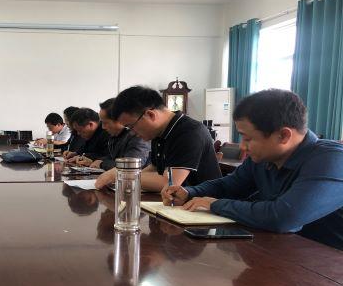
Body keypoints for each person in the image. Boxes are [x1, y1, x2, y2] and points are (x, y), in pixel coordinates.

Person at [162, 89, 343, 249]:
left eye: (248, 139)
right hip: (280, 250)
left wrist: (215, 204)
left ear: (283, 135)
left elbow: (283, 217)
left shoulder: (332, 160)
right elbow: (228, 186)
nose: (242, 146)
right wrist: (190, 193)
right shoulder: (263, 158)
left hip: (327, 265)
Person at [95, 86, 221, 191]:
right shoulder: (159, 132)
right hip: (174, 203)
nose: (132, 133)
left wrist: (121, 175)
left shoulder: (189, 131)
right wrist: (121, 177)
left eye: (131, 126)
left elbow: (169, 182)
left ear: (150, 115)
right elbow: (154, 168)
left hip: (202, 207)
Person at [77, 98, 151, 170]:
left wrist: (102, 164)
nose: (103, 127)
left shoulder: (137, 136)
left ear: (119, 119)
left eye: (105, 123)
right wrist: (94, 161)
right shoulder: (115, 137)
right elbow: (112, 158)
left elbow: (131, 166)